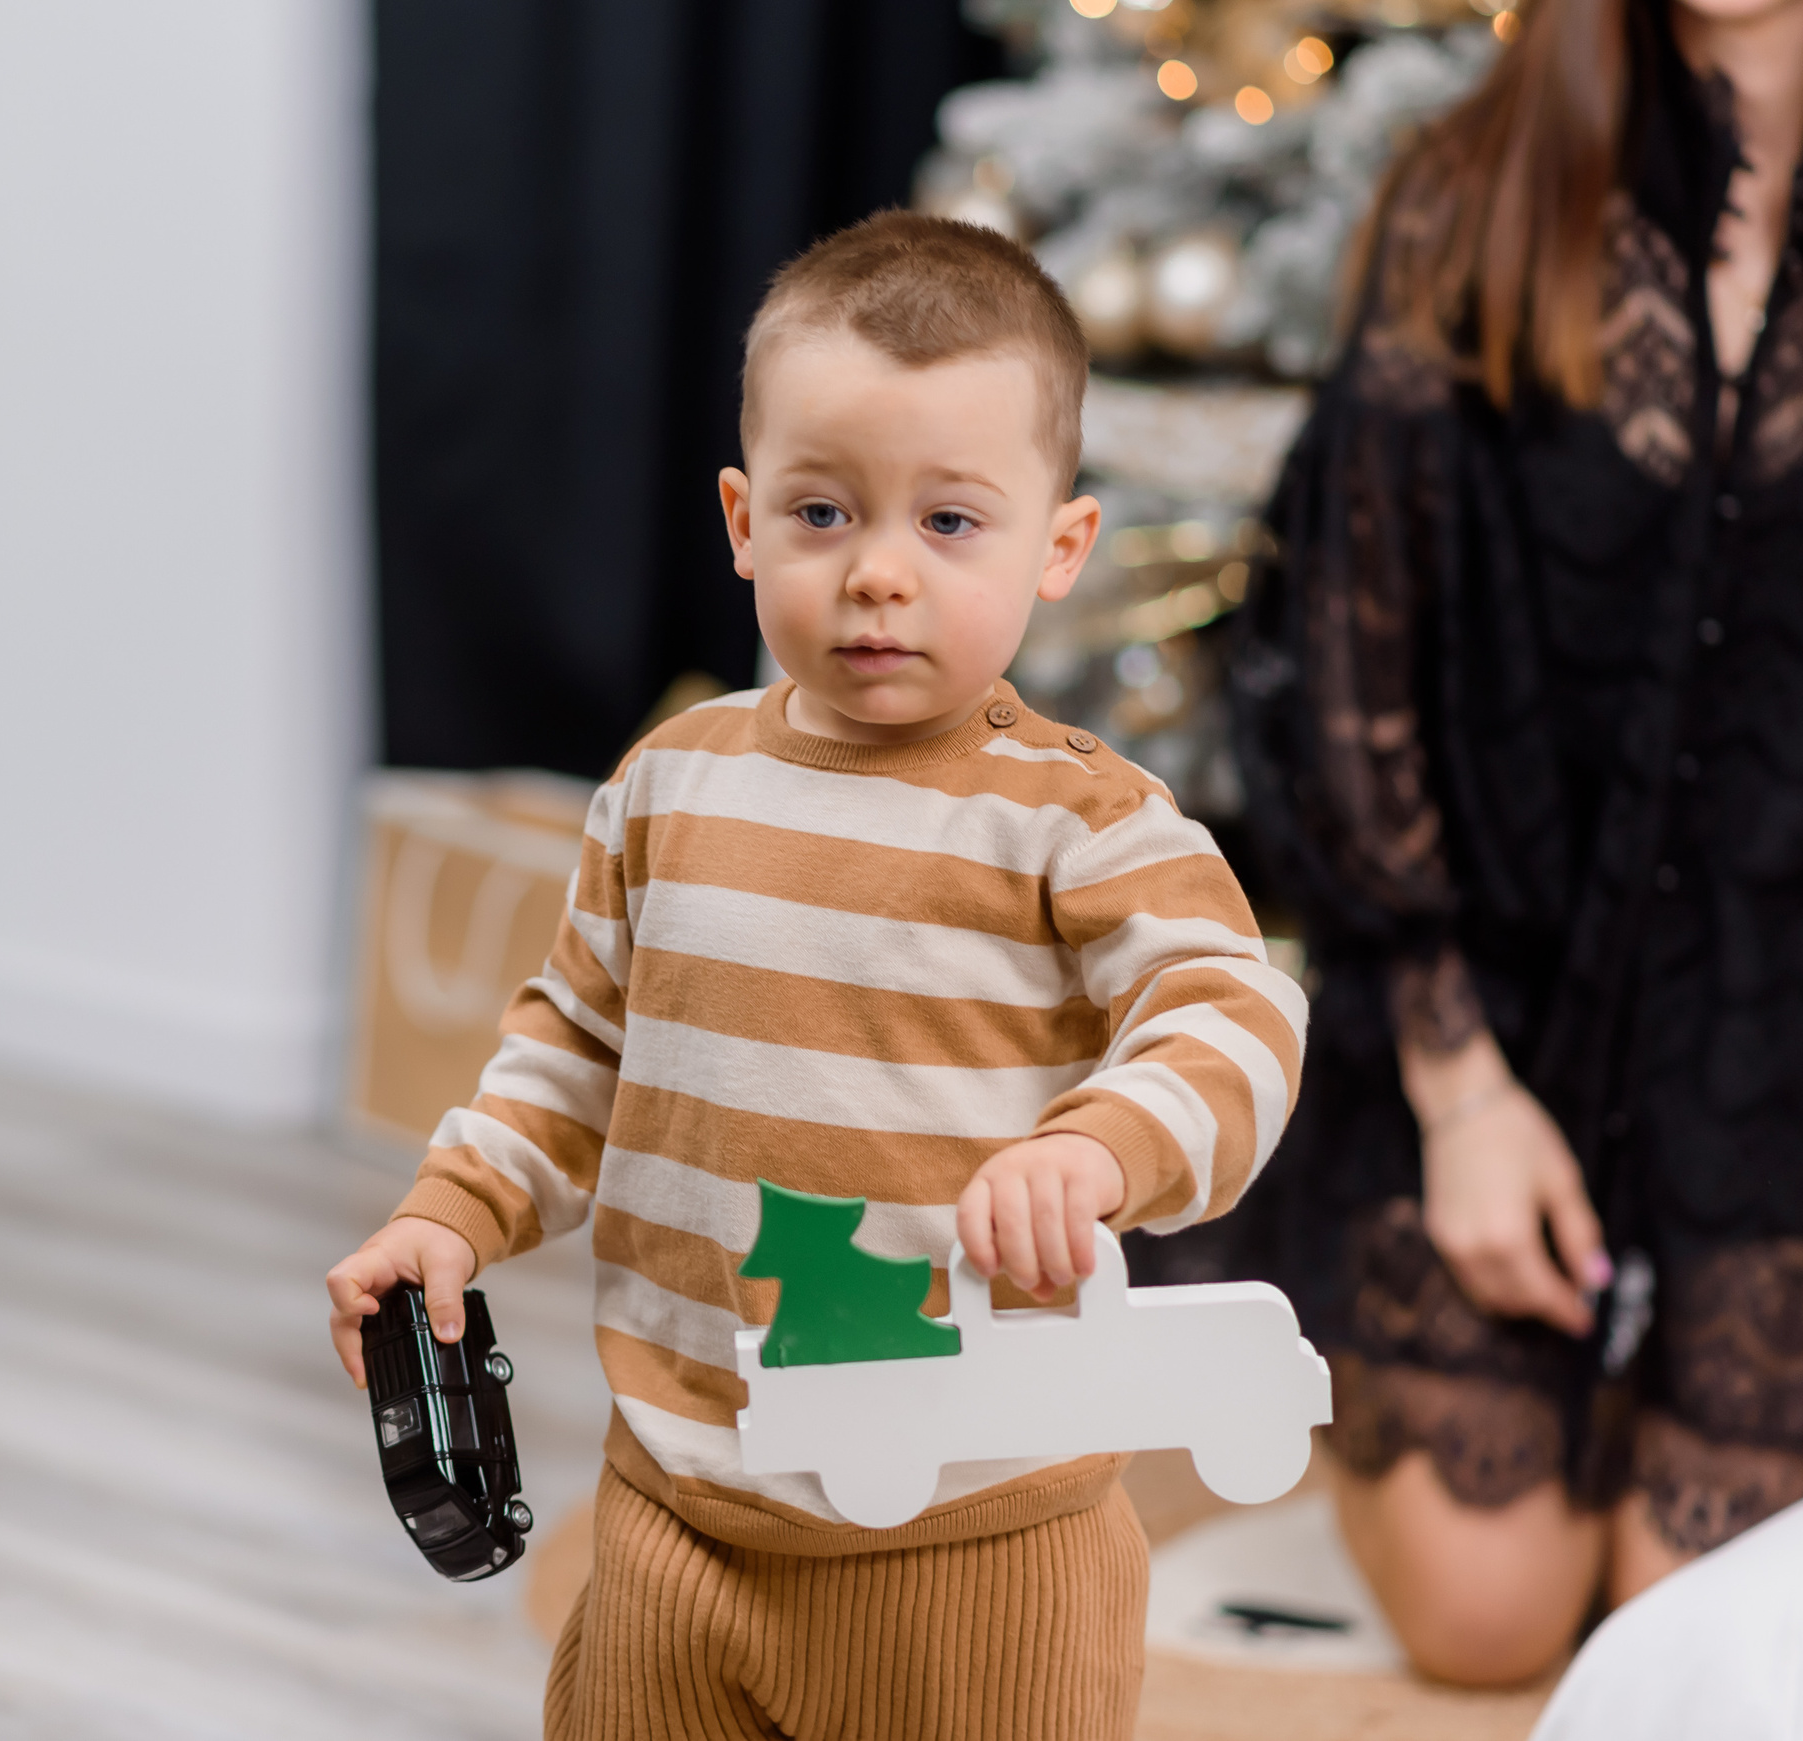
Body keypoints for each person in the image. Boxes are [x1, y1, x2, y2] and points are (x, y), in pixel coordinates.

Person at [328, 212, 1308, 1741]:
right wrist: (452, 1207)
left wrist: (1095, 1147)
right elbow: (576, 1039)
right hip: (680, 1501)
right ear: (742, 517)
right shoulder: (670, 782)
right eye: (824, 512)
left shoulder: (1082, 818)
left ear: (1063, 545)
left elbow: (1238, 1018)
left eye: (952, 523)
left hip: (981, 1535)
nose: (878, 578)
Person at [1233, 0, 1803, 1688]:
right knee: (1486, 1622)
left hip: (1770, 1057)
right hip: (1490, 1018)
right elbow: (1343, 650)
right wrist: (1460, 1088)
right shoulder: (1468, 191)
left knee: (1687, 1635)